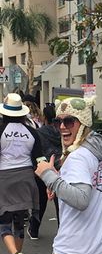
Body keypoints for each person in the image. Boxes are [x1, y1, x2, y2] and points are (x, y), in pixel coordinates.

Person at [35, 96, 102, 254]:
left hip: (73, 250)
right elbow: (92, 190)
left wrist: (48, 176)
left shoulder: (78, 156)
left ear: (83, 124)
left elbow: (81, 200)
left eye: (69, 121)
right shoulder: (100, 153)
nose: (62, 126)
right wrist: (60, 181)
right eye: (58, 121)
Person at [0, 93, 42, 254]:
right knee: (19, 219)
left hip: (5, 178)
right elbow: (38, 159)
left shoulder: (1, 130)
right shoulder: (32, 132)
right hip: (26, 178)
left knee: (4, 220)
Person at [27, 103, 62, 240]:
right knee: (60, 202)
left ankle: (34, 229)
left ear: (45, 118)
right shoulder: (62, 131)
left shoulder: (39, 132)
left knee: (40, 201)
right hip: (60, 167)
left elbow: (34, 151)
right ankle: (62, 230)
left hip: (43, 168)